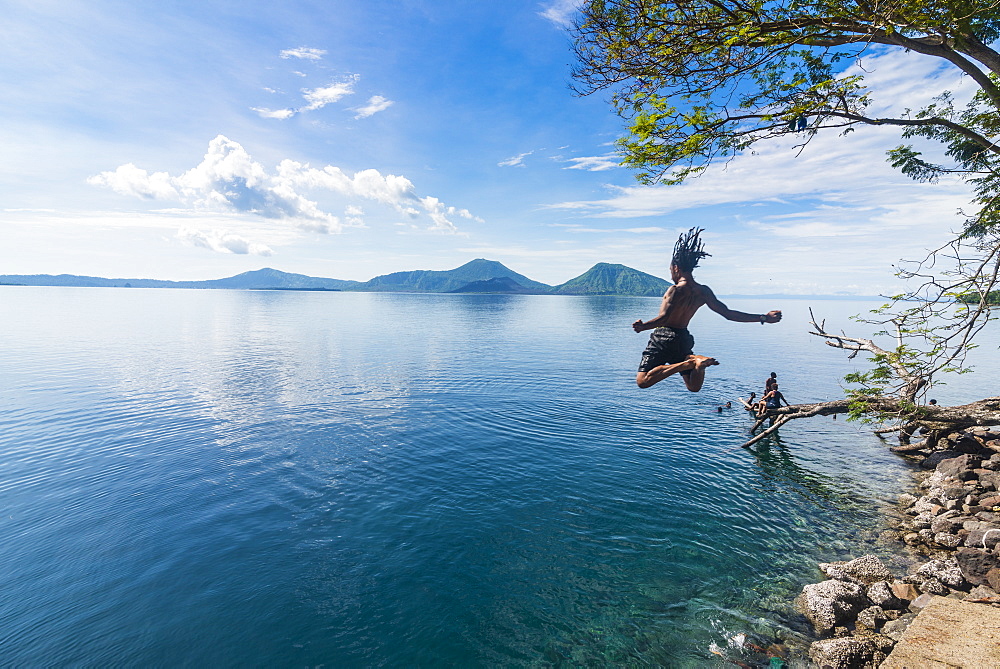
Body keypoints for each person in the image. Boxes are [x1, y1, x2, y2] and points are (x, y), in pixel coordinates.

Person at [633, 228, 782, 391]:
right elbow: (728, 314)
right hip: (682, 338)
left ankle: (688, 362)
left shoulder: (675, 290)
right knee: (693, 386)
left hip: (664, 336)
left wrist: (643, 326)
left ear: (676, 268)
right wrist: (764, 317)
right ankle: (697, 363)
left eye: (670, 270)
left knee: (643, 381)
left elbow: (664, 318)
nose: (670, 274)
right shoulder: (703, 291)